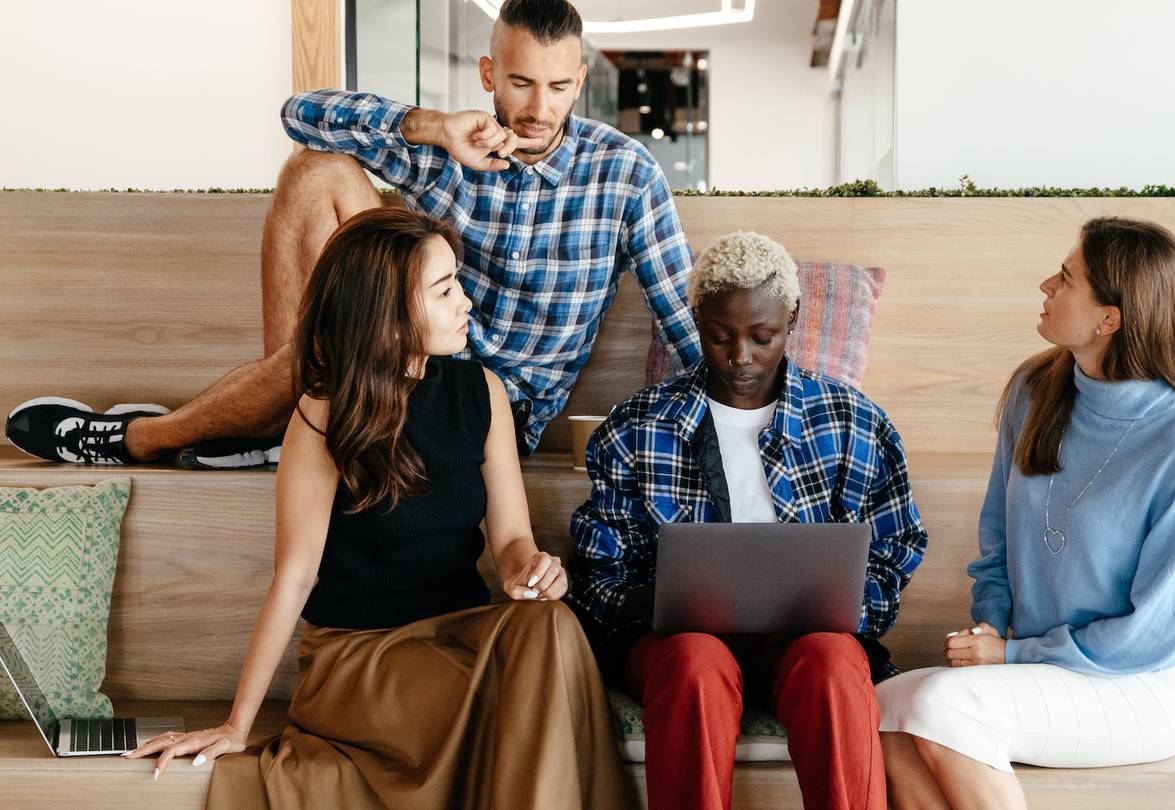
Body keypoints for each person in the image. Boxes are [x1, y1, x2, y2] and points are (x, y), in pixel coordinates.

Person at [6, 0, 700, 468]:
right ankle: (289, 415)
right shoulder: (449, 145)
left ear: (579, 83)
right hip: (396, 359)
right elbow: (298, 114)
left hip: (492, 417)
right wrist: (431, 127)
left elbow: (683, 317)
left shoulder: (625, 174)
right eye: (520, 83)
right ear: (489, 74)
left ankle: (137, 438)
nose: (538, 108)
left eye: (556, 87)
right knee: (314, 170)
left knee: (336, 347)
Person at [122, 208, 628, 809]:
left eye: (457, 282)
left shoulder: (482, 392)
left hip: (460, 635)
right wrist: (237, 724)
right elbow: (295, 577)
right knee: (518, 701)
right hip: (361, 657)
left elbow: (513, 540)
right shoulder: (323, 412)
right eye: (444, 291)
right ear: (388, 316)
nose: (466, 302)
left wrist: (533, 570)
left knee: (552, 623)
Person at [566, 231, 928, 810]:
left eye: (763, 337)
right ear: (696, 320)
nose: (741, 357)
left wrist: (849, 605)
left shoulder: (852, 419)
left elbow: (897, 543)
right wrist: (657, 599)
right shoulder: (639, 425)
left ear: (793, 318)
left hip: (806, 642)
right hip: (679, 643)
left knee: (833, 666)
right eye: (719, 336)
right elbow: (596, 573)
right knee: (693, 666)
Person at [877, 217, 1175, 810]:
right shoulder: (1035, 389)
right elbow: (997, 542)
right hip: (1042, 668)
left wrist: (1010, 655)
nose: (1046, 285)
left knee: (938, 707)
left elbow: (1153, 632)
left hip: (1138, 685)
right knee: (882, 707)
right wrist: (989, 628)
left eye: (1066, 278)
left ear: (1108, 318)